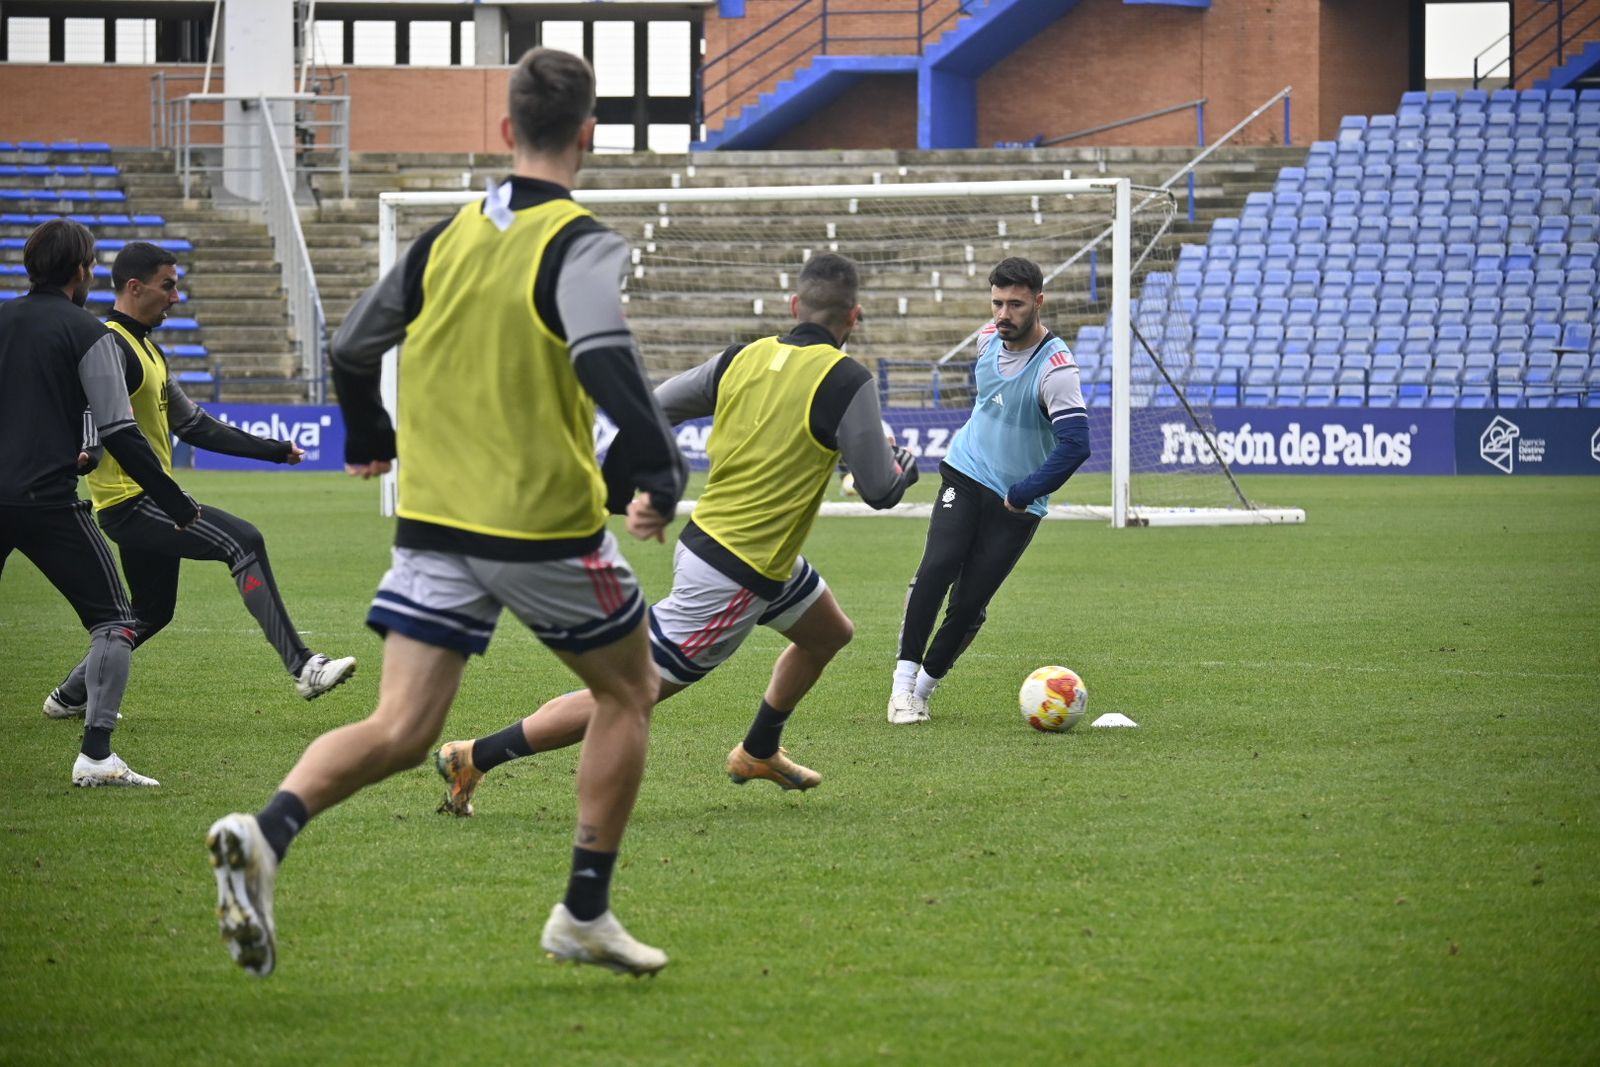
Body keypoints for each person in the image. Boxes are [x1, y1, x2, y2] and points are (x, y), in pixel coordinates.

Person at [203, 47, 687, 980]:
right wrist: (655, 470)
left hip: (431, 521)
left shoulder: (442, 238)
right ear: (588, 136)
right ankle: (583, 911)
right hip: (539, 525)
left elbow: (350, 344)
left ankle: (263, 835)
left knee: (402, 727)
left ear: (507, 133)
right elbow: (601, 352)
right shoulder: (582, 240)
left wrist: (365, 433)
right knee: (629, 690)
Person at [432, 252, 919, 816]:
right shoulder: (848, 379)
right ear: (854, 318)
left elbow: (653, 408)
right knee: (627, 693)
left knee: (827, 633)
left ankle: (759, 749)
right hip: (736, 574)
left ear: (793, 306)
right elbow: (880, 489)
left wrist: (617, 487)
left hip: (750, 555)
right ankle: (475, 755)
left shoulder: (743, 357)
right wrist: (900, 466)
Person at [42, 242, 355, 718]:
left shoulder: (148, 349)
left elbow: (195, 425)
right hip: (133, 501)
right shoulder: (109, 345)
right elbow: (93, 418)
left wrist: (273, 450)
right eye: (168, 285)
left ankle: (69, 695)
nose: (176, 297)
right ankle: (304, 666)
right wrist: (92, 454)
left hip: (142, 501)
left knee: (151, 611)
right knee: (243, 541)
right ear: (134, 287)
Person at [0, 219, 200, 786]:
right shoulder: (88, 332)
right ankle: (95, 756)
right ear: (82, 270)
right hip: (47, 502)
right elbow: (120, 431)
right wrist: (175, 501)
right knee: (114, 621)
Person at [885, 256, 1091, 724]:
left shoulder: (1056, 370)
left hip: (1017, 501)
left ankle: (923, 690)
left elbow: (1076, 445)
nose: (1003, 314)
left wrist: (1024, 492)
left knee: (970, 604)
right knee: (936, 568)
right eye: (997, 303)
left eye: (1015, 304)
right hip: (965, 472)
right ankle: (900, 689)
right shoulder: (985, 342)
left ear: (1038, 302)